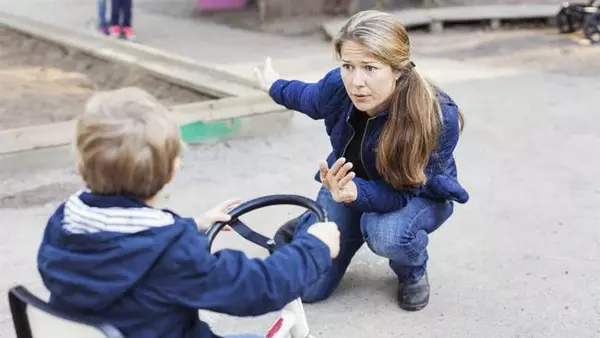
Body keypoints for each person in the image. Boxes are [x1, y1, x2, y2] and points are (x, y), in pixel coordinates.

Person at [36, 87, 340, 338]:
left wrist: (194, 225)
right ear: (172, 172)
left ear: (80, 165)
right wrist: (315, 248)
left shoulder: (63, 223)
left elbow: (127, 236)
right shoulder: (172, 254)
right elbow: (257, 287)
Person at [254, 10, 469, 312]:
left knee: (385, 233)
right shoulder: (338, 86)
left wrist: (357, 194)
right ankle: (308, 222)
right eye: (347, 66)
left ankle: (412, 271)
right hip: (348, 184)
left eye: (370, 68)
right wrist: (273, 86)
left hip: (414, 195)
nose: (356, 82)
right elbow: (307, 97)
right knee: (310, 288)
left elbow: (404, 191)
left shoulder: (436, 117)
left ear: (398, 69)